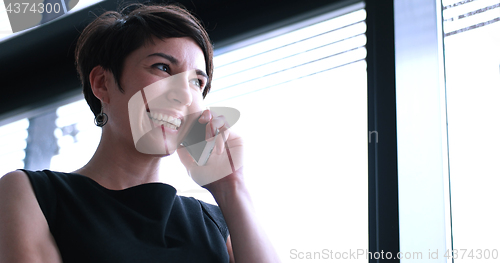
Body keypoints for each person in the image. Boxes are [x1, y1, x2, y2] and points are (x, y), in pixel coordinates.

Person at [0, 3, 280, 263]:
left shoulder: (214, 222)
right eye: (162, 67)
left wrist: (231, 186)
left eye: (197, 81)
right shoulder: (33, 194)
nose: (183, 94)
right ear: (102, 83)